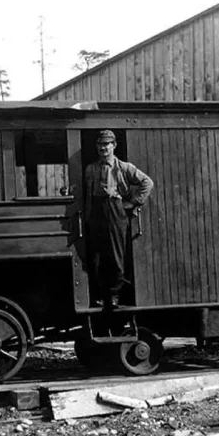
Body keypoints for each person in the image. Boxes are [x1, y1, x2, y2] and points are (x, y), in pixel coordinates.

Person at [84, 130, 155, 309]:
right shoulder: (91, 168)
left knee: (116, 256)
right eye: (99, 144)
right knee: (97, 258)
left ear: (114, 146)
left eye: (106, 144)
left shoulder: (123, 167)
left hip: (116, 212)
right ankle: (100, 295)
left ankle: (115, 296)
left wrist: (132, 203)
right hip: (96, 214)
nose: (102, 148)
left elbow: (147, 182)